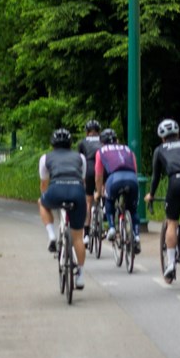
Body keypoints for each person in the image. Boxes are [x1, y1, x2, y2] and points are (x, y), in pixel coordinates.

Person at [143, 118, 180, 283]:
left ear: (162, 137)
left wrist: (151, 194)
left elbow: (156, 176)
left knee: (171, 222)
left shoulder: (160, 149)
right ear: (178, 133)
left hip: (175, 181)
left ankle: (171, 263)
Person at [38, 128, 88, 289]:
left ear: (52, 144)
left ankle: (52, 235)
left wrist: (46, 197)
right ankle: (80, 275)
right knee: (78, 237)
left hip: (56, 190)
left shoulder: (45, 158)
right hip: (76, 191)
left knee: (42, 203)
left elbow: (44, 184)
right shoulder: (80, 158)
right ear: (70, 143)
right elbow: (83, 180)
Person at [94, 128, 141, 254]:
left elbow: (98, 175)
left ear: (102, 142)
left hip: (114, 179)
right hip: (131, 179)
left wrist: (99, 192)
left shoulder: (101, 151)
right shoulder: (127, 149)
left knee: (109, 200)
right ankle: (136, 236)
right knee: (133, 209)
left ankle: (111, 228)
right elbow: (135, 169)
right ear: (117, 140)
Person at [77, 120, 104, 246]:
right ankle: (103, 212)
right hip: (102, 169)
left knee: (88, 201)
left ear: (87, 132)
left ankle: (86, 234)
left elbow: (80, 160)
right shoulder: (103, 140)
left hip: (89, 169)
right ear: (99, 131)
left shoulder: (82, 142)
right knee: (102, 191)